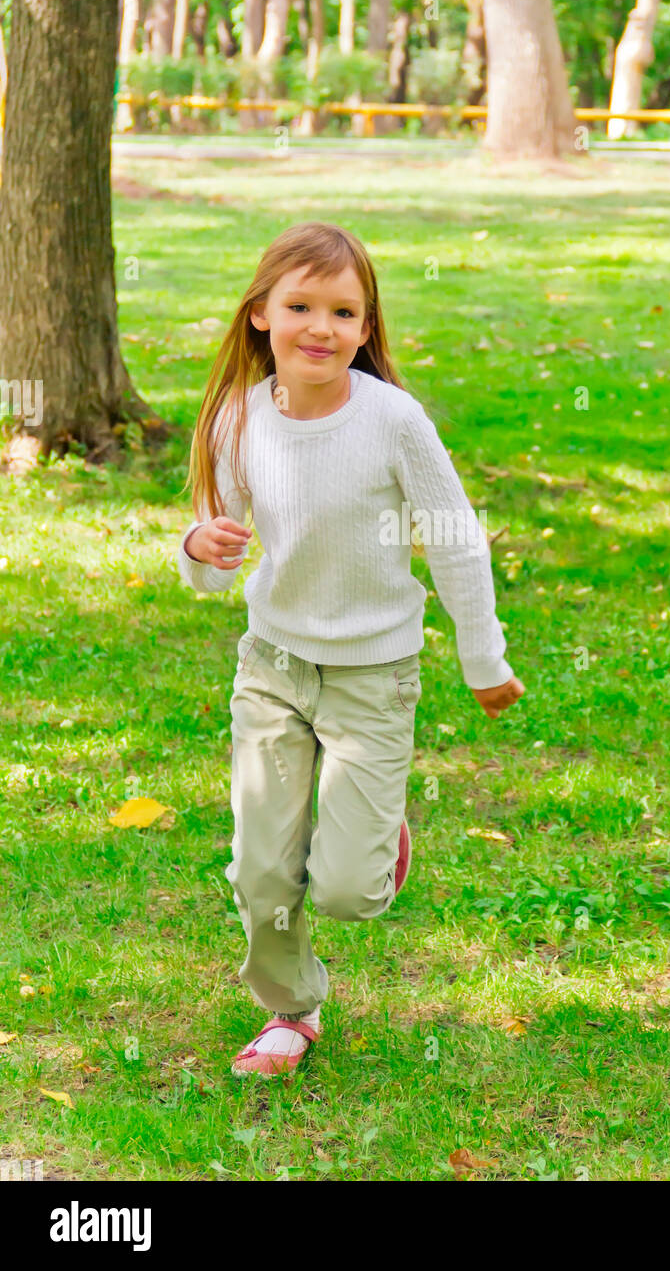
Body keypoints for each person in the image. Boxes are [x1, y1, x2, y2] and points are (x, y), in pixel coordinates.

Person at [175, 220, 525, 1077]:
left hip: (373, 674)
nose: (320, 327)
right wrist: (198, 550)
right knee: (261, 872)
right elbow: (216, 567)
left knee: (346, 889)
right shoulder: (238, 417)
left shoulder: (393, 421)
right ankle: (291, 1010)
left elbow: (454, 541)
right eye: (300, 306)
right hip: (274, 668)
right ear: (261, 314)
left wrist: (484, 661)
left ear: (367, 329)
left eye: (342, 310)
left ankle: (378, 840)